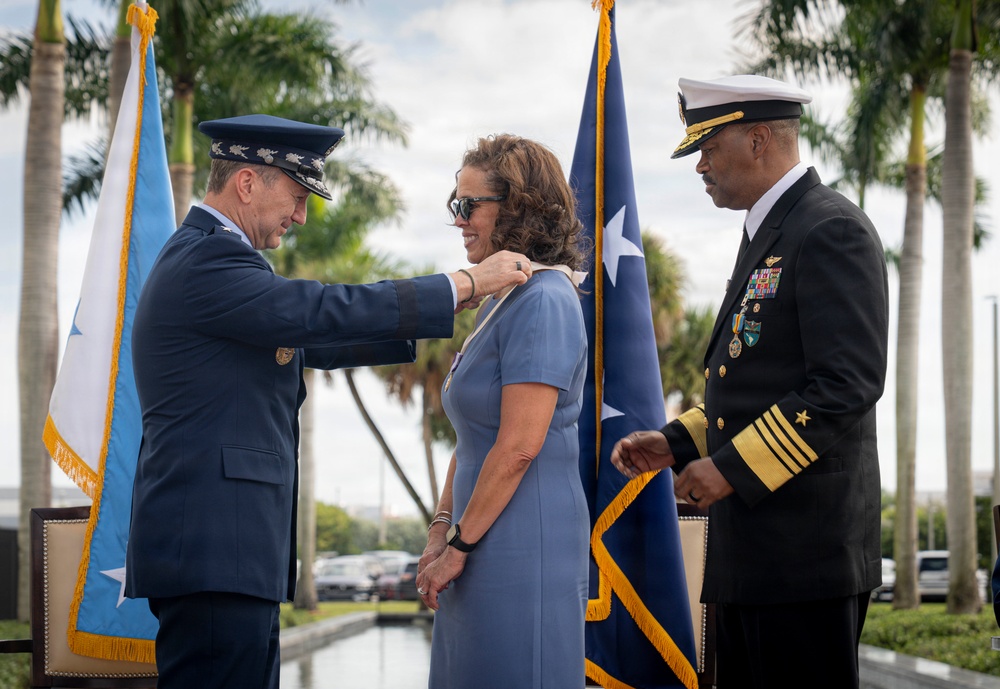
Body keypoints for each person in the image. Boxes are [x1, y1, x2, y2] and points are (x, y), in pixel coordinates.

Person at [124, 114, 532, 689]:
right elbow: (316, 311)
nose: (300, 215)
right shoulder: (207, 261)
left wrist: (451, 310)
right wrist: (461, 284)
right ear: (247, 184)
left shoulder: (212, 261)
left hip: (226, 552)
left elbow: (311, 335)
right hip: (215, 551)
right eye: (295, 196)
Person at [610, 75, 889, 689]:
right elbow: (751, 389)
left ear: (759, 138)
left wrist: (730, 468)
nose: (700, 166)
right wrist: (674, 443)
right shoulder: (771, 232)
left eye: (709, 147)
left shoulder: (828, 229)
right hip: (753, 554)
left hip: (805, 558)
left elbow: (846, 384)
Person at [414, 134, 590, 689]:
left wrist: (460, 545)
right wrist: (441, 530)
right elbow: (474, 438)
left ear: (517, 209)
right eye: (455, 205)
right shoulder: (502, 299)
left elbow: (517, 447)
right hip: (475, 534)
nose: (459, 220)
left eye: (469, 206)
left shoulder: (545, 300)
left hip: (521, 541)